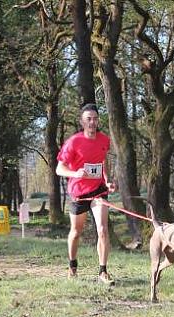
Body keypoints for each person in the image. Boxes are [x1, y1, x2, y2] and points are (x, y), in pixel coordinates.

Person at [56, 103, 117, 285]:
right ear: (82, 122)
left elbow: (103, 161)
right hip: (79, 193)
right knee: (76, 232)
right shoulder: (73, 142)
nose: (92, 122)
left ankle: (103, 271)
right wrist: (75, 173)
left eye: (95, 119)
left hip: (98, 191)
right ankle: (72, 266)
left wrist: (107, 180)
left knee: (103, 229)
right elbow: (59, 169)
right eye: (88, 119)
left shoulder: (104, 140)